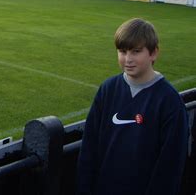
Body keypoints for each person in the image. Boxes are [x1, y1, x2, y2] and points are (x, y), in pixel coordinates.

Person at [76, 18, 189, 195]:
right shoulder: (108, 89)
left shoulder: (169, 102)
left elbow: (170, 167)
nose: (128, 59)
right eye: (122, 51)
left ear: (153, 53)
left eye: (136, 51)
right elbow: (89, 147)